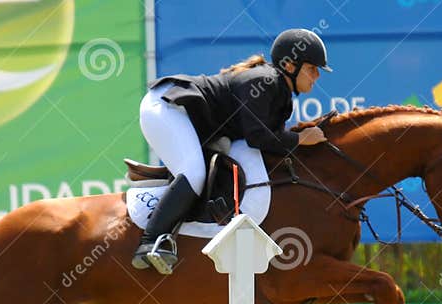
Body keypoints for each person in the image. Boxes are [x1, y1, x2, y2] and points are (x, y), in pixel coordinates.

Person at [132, 28, 332, 275]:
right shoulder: (266, 81)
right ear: (290, 65)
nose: (317, 76)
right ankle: (150, 242)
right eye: (313, 68)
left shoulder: (279, 92)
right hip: (167, 107)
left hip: (188, 115)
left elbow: (266, 143)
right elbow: (257, 137)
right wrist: (300, 138)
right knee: (194, 173)